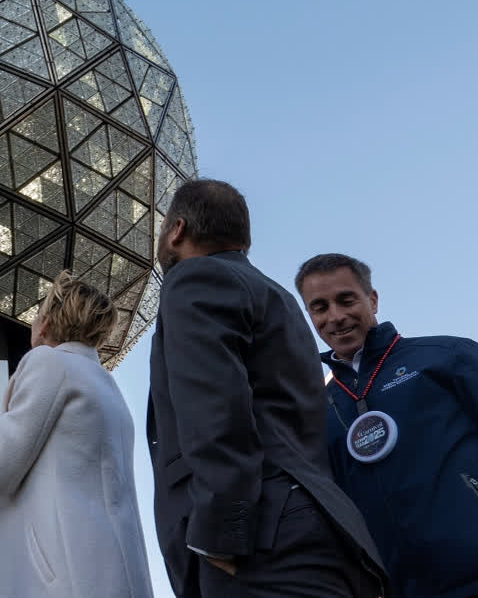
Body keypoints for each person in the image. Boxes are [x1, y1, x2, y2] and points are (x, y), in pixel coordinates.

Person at [146, 180, 386, 597]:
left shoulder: (195, 278)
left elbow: (214, 407)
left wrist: (221, 531)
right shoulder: (277, 297)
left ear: (177, 230)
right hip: (317, 530)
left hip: (259, 541)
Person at [296, 253, 478, 598]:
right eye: (320, 307)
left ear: (372, 300)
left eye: (346, 300)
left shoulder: (447, 356)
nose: (336, 317)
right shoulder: (319, 412)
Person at [0, 270, 153, 598]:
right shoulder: (106, 386)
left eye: (37, 315)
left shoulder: (47, 363)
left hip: (61, 581)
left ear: (47, 323)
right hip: (109, 576)